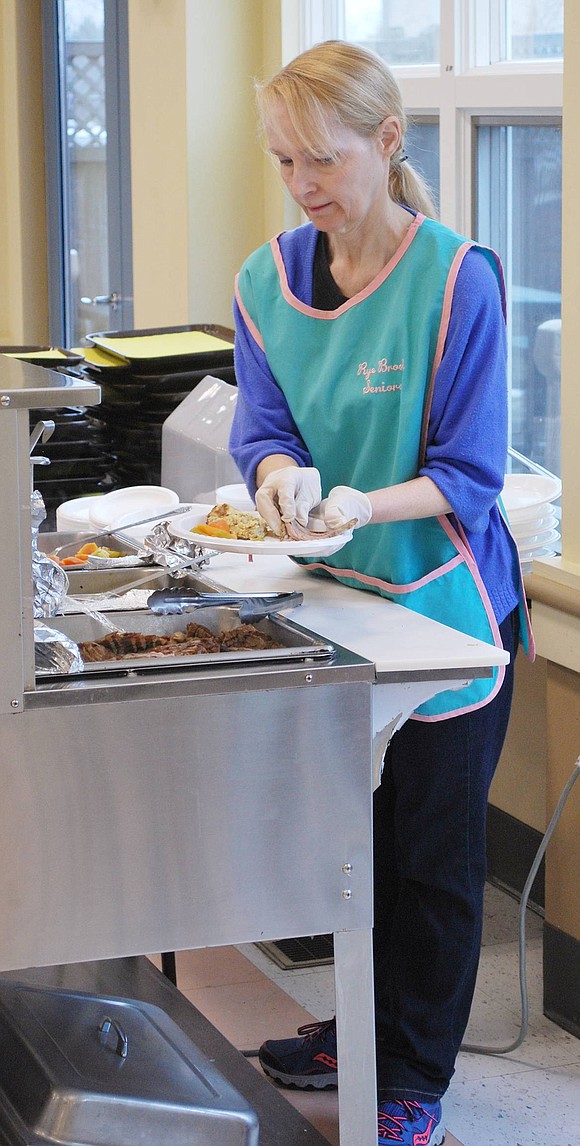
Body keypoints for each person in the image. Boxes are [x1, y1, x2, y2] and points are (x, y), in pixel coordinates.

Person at [229, 40, 532, 1146]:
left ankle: (410, 1075)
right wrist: (275, 476)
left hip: (447, 605)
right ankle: (358, 1022)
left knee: (430, 857)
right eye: (284, 161)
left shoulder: (458, 278)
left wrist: (358, 502)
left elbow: (469, 474)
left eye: (323, 157)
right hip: (335, 601)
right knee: (345, 838)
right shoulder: (266, 280)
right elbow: (261, 425)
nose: (305, 184)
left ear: (386, 141)